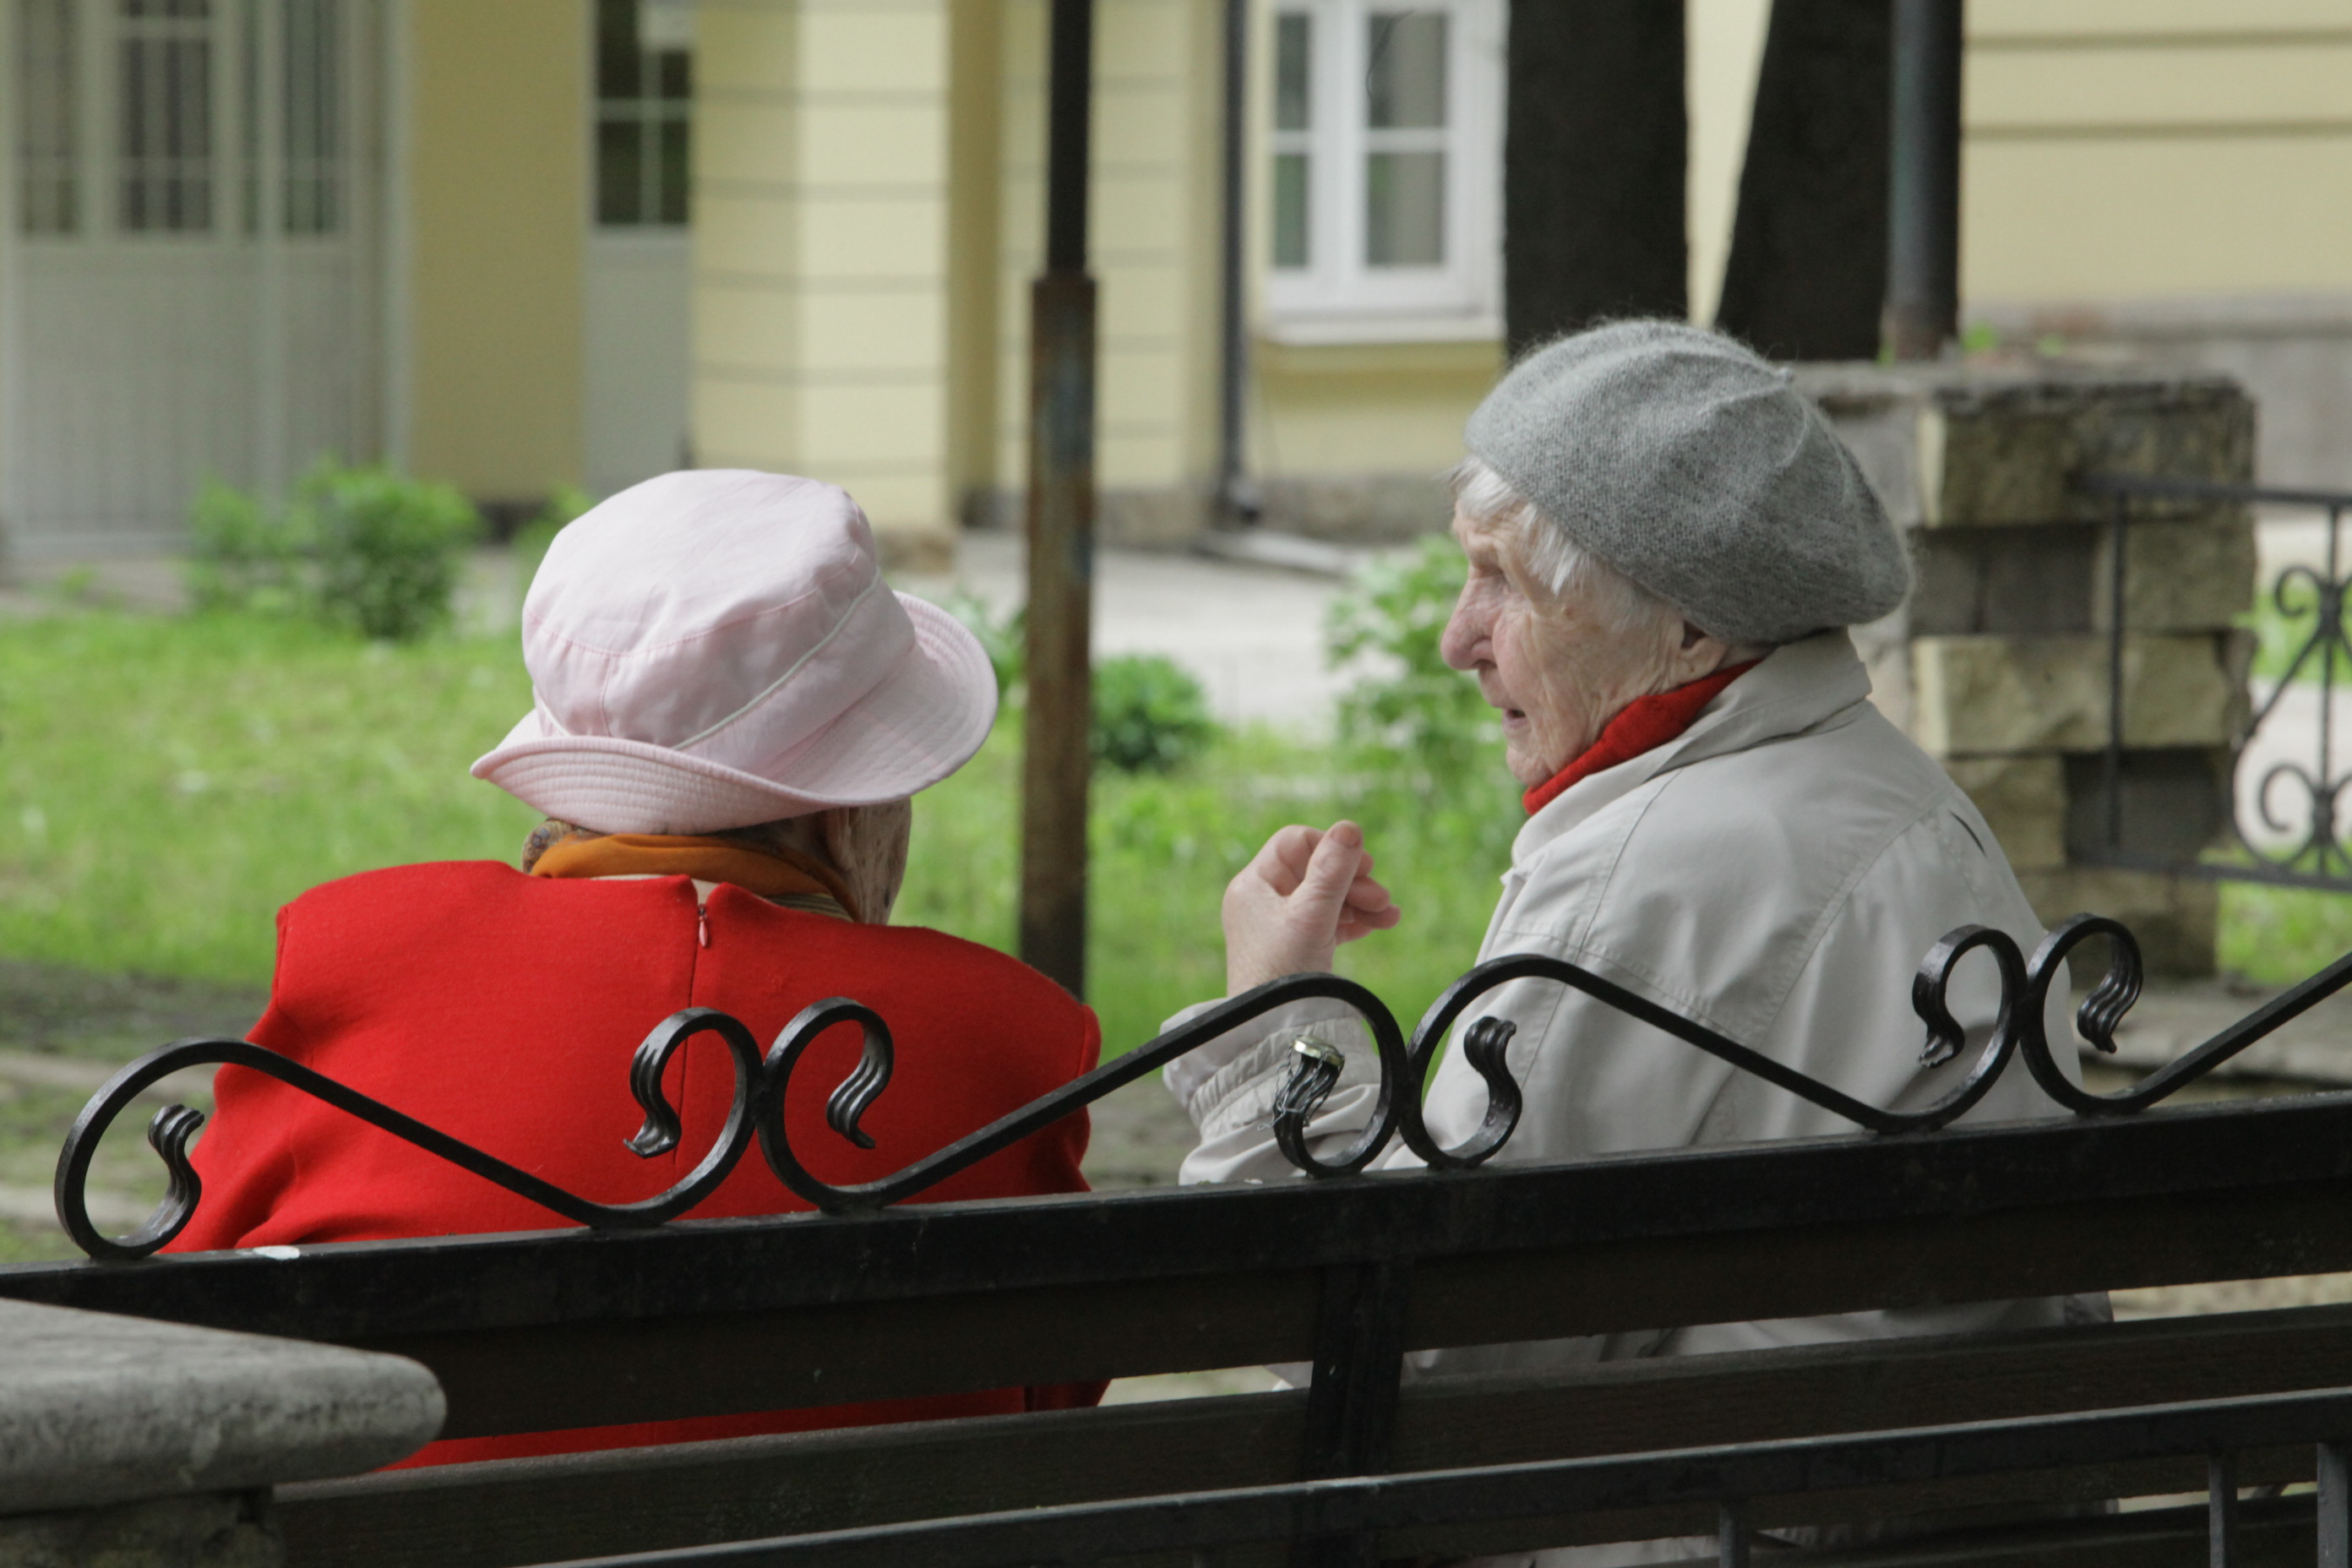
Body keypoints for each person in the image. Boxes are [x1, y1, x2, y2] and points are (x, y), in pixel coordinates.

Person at [1163, 323, 2100, 1563]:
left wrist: (1276, 1027)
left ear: (1693, 632)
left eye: (1503, 581)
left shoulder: (1664, 863)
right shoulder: (1876, 783)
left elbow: (1409, 1350)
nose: (1458, 637)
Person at [171, 469, 1102, 1462]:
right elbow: (1054, 1391)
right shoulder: (1015, 1035)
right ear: (849, 806)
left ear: (574, 779)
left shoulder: (358, 952)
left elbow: (181, 1310)